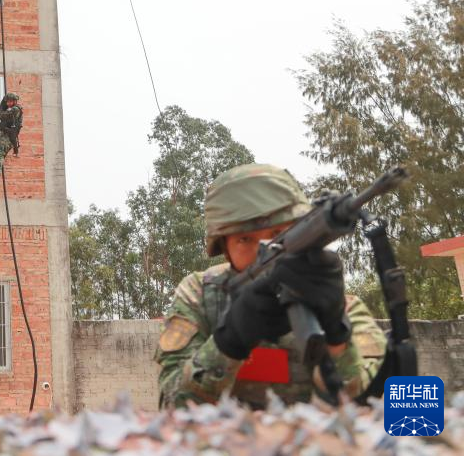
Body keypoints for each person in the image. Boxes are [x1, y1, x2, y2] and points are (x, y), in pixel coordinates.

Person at [155, 163, 388, 408]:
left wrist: (336, 335)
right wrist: (228, 342)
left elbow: (367, 408)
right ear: (225, 248)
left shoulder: (346, 308)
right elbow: (172, 405)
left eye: (278, 233)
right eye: (245, 239)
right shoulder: (201, 295)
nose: (263, 249)